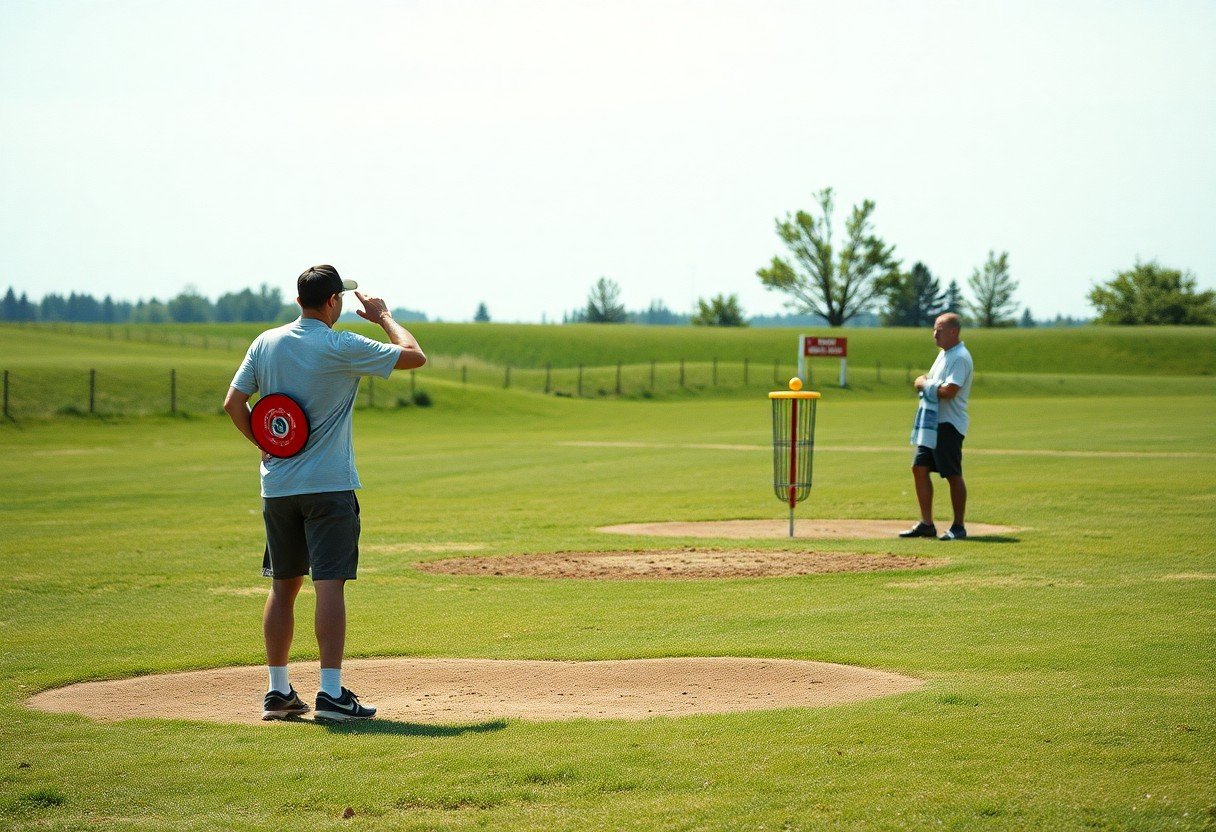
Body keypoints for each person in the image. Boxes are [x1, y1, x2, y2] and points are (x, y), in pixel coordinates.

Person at [223, 265, 426, 721]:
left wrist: (264, 443)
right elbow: (414, 355)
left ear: (300, 300)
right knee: (329, 583)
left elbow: (234, 404)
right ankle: (331, 694)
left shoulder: (265, 342)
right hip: (329, 486)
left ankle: (278, 692)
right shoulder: (341, 344)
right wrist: (384, 316)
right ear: (333, 301)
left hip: (277, 487)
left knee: (283, 584)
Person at [900, 312, 973, 541]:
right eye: (934, 330)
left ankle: (958, 526)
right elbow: (934, 381)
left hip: (948, 424)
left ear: (953, 332)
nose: (934, 335)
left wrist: (923, 384)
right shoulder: (944, 354)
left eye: (939, 330)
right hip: (932, 424)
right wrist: (926, 382)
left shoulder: (959, 357)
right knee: (919, 468)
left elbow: (950, 392)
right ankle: (927, 524)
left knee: (952, 474)